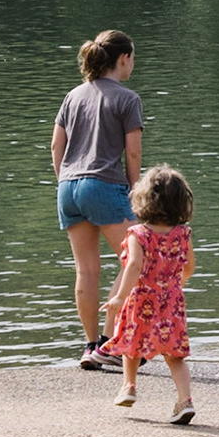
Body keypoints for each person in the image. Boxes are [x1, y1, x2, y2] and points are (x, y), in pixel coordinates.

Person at [51, 29, 142, 371]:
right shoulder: (128, 99)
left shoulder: (73, 96)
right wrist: (135, 191)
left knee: (86, 270)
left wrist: (65, 180)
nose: (133, 64)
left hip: (68, 187)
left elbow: (56, 145)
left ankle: (90, 346)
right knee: (139, 259)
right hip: (104, 185)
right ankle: (109, 344)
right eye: (133, 58)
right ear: (123, 59)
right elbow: (133, 153)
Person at [103, 165, 197, 424]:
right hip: (171, 301)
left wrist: (119, 297)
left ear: (143, 198)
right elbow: (189, 265)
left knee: (132, 345)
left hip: (141, 299)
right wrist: (177, 284)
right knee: (175, 355)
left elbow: (133, 266)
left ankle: (129, 387)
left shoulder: (138, 234)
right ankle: (185, 400)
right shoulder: (183, 234)